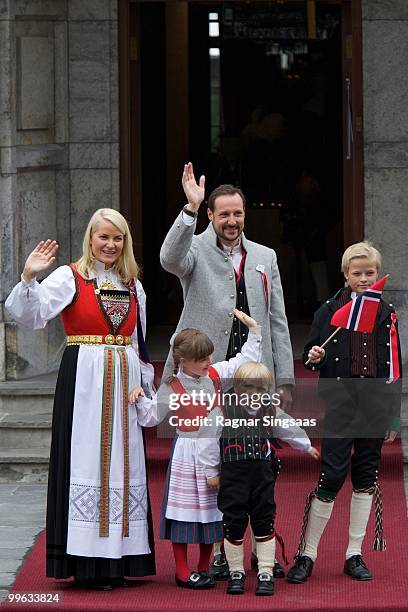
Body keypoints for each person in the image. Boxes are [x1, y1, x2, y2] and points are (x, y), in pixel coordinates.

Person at [5, 209, 164, 590]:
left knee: (124, 462)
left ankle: (122, 558)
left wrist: (145, 385)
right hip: (84, 379)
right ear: (90, 238)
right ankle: (87, 563)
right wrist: (29, 276)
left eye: (118, 238)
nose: (110, 245)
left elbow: (138, 343)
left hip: (124, 377)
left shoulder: (133, 284)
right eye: (103, 237)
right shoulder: (69, 276)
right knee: (88, 458)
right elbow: (29, 314)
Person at [160, 162, 295, 577]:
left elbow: (277, 319)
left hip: (252, 373)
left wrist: (285, 378)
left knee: (258, 463)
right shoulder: (195, 249)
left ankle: (259, 547)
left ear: (244, 215)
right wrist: (189, 209)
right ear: (212, 216)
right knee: (217, 466)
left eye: (237, 213)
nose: (232, 221)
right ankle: (219, 552)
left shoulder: (264, 256)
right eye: (224, 214)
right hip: (207, 373)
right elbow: (168, 259)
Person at [286, 242, 402, 584]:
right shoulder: (328, 311)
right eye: (357, 273)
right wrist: (314, 357)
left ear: (377, 274)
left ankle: (354, 554)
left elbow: (394, 365)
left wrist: (393, 416)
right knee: (332, 474)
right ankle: (308, 553)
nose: (364, 279)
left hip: (374, 405)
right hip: (341, 404)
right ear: (345, 275)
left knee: (366, 475)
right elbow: (310, 353)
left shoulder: (386, 312)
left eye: (370, 273)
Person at [159, 309, 262, 589]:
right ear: (183, 360)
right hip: (185, 453)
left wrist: (254, 331)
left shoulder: (215, 374)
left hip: (214, 453)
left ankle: (204, 567)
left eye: (209, 356)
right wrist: (135, 395)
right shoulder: (172, 387)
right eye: (202, 358)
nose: (209, 361)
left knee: (211, 513)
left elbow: (244, 360)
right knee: (182, 512)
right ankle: (182, 570)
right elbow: (149, 416)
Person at [215, 362, 319, 596]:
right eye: (250, 388)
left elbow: (288, 427)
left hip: (262, 476)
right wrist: (211, 472)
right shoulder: (223, 410)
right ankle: (235, 572)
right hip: (233, 476)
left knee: (264, 521)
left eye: (261, 390)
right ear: (238, 388)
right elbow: (209, 442)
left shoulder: (270, 410)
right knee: (234, 523)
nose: (256, 395)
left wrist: (306, 446)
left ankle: (265, 571)